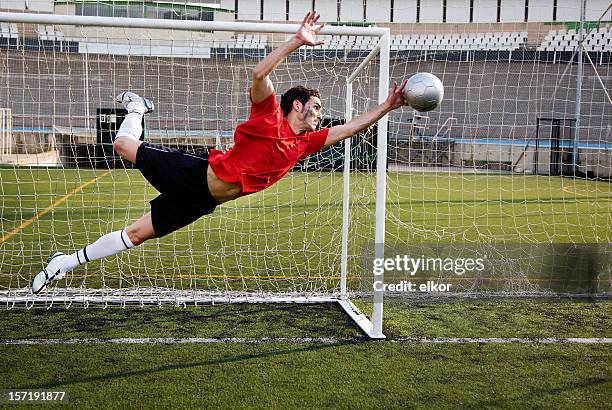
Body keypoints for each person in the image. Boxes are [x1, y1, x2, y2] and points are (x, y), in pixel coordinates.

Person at [31, 11, 408, 294]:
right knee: (121, 145)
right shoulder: (268, 115)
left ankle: (64, 263)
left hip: (202, 201)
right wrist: (296, 41)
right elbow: (259, 74)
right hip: (196, 173)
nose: (320, 115)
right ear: (296, 106)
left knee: (138, 233)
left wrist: (386, 107)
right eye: (316, 107)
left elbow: (350, 128)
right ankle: (136, 109)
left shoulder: (305, 144)